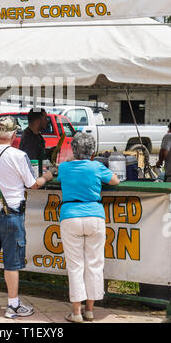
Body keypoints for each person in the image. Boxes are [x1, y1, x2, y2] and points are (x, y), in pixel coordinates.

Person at [0, 115, 53, 319]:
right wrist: (47, 176)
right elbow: (32, 184)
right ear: (15, 134)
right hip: (11, 216)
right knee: (12, 263)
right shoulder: (19, 156)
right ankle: (13, 305)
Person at [58, 132, 119, 323]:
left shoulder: (65, 168)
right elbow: (115, 180)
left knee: (75, 266)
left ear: (74, 149)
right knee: (94, 264)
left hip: (70, 217)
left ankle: (76, 312)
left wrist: (70, 159)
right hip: (95, 216)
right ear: (92, 151)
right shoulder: (97, 166)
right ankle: (90, 310)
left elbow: (59, 171)